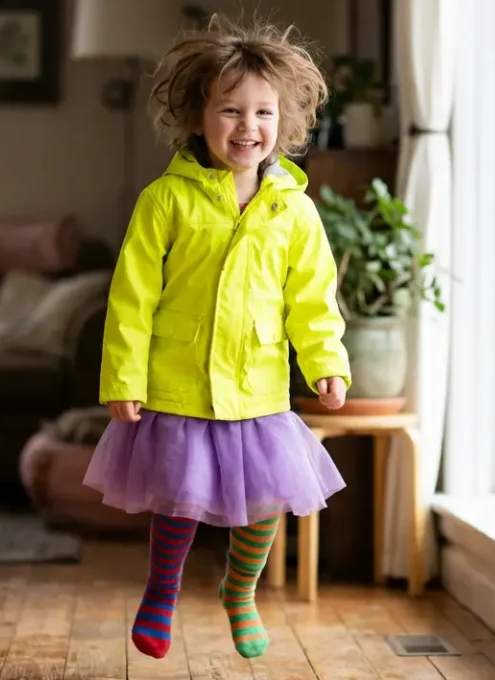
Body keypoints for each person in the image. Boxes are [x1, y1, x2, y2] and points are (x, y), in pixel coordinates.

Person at [82, 14, 351, 662]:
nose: (247, 127)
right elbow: (131, 299)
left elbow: (312, 300)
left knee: (266, 498)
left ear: (282, 123)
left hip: (258, 386)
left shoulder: (295, 211)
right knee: (179, 494)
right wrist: (125, 379)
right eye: (230, 110)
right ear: (197, 117)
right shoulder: (164, 201)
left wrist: (326, 364)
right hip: (179, 383)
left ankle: (241, 589)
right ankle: (163, 591)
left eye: (262, 113)